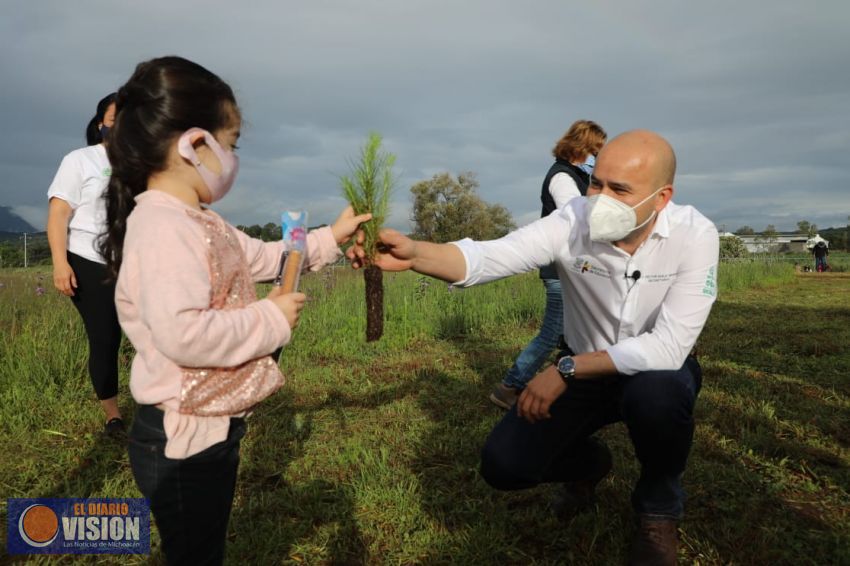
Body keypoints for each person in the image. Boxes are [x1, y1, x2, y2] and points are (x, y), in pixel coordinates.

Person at [349, 130, 719, 565]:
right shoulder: (572, 220)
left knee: (659, 398)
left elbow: (670, 346)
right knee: (503, 466)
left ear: (661, 197)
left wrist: (566, 369)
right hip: (585, 370)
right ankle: (590, 466)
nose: (600, 199)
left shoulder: (696, 234)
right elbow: (491, 256)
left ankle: (658, 508)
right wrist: (414, 254)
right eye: (596, 182)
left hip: (651, 372)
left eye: (620, 189)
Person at [100, 56, 370, 565]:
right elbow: (183, 333)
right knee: (195, 553)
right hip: (179, 437)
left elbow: (269, 259)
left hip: (210, 425)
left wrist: (330, 237)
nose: (234, 156)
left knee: (205, 543)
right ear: (195, 145)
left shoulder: (202, 221)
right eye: (232, 143)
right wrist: (269, 319)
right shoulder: (163, 229)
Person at [490, 120, 607, 409]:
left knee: (572, 333)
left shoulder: (578, 176)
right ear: (583, 148)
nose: (598, 158)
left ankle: (568, 388)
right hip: (560, 270)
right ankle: (509, 387)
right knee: (552, 332)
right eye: (596, 151)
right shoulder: (563, 178)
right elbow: (576, 215)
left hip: (574, 267)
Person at [46, 92, 126, 437]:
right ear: (101, 125)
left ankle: (164, 404)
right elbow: (59, 213)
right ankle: (113, 417)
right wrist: (60, 263)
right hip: (88, 258)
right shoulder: (80, 160)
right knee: (106, 336)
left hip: (134, 260)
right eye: (114, 119)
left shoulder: (145, 164)